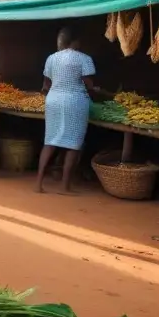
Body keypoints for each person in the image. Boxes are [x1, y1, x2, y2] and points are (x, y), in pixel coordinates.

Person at [36, 28, 103, 194]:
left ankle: (38, 184)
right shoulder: (84, 58)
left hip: (54, 100)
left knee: (50, 141)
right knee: (74, 144)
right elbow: (88, 85)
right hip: (75, 102)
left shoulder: (51, 58)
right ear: (75, 41)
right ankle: (65, 186)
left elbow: (46, 85)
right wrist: (98, 91)